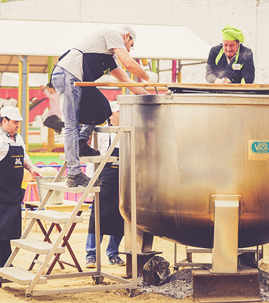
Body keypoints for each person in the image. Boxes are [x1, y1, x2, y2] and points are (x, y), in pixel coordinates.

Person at [51, 26, 157, 188]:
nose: (129, 49)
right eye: (131, 45)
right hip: (68, 74)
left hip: (78, 78)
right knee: (72, 124)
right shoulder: (113, 34)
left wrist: (151, 98)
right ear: (126, 37)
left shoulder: (109, 58)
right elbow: (128, 63)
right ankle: (73, 173)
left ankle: (81, 141)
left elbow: (128, 82)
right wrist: (149, 77)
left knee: (101, 107)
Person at [0, 106, 41, 267]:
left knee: (8, 231)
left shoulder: (18, 138)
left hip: (14, 193)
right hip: (1, 193)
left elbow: (24, 157)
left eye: (19, 122)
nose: (18, 125)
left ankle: (6, 263)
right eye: (15, 122)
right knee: (1, 231)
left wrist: (32, 167)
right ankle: (4, 264)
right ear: (4, 121)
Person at [85, 101, 124, 268]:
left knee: (121, 218)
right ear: (111, 115)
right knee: (97, 218)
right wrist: (90, 184)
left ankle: (113, 254)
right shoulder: (101, 133)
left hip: (123, 180)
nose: (122, 114)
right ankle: (91, 255)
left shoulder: (127, 133)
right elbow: (92, 160)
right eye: (119, 112)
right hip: (104, 180)